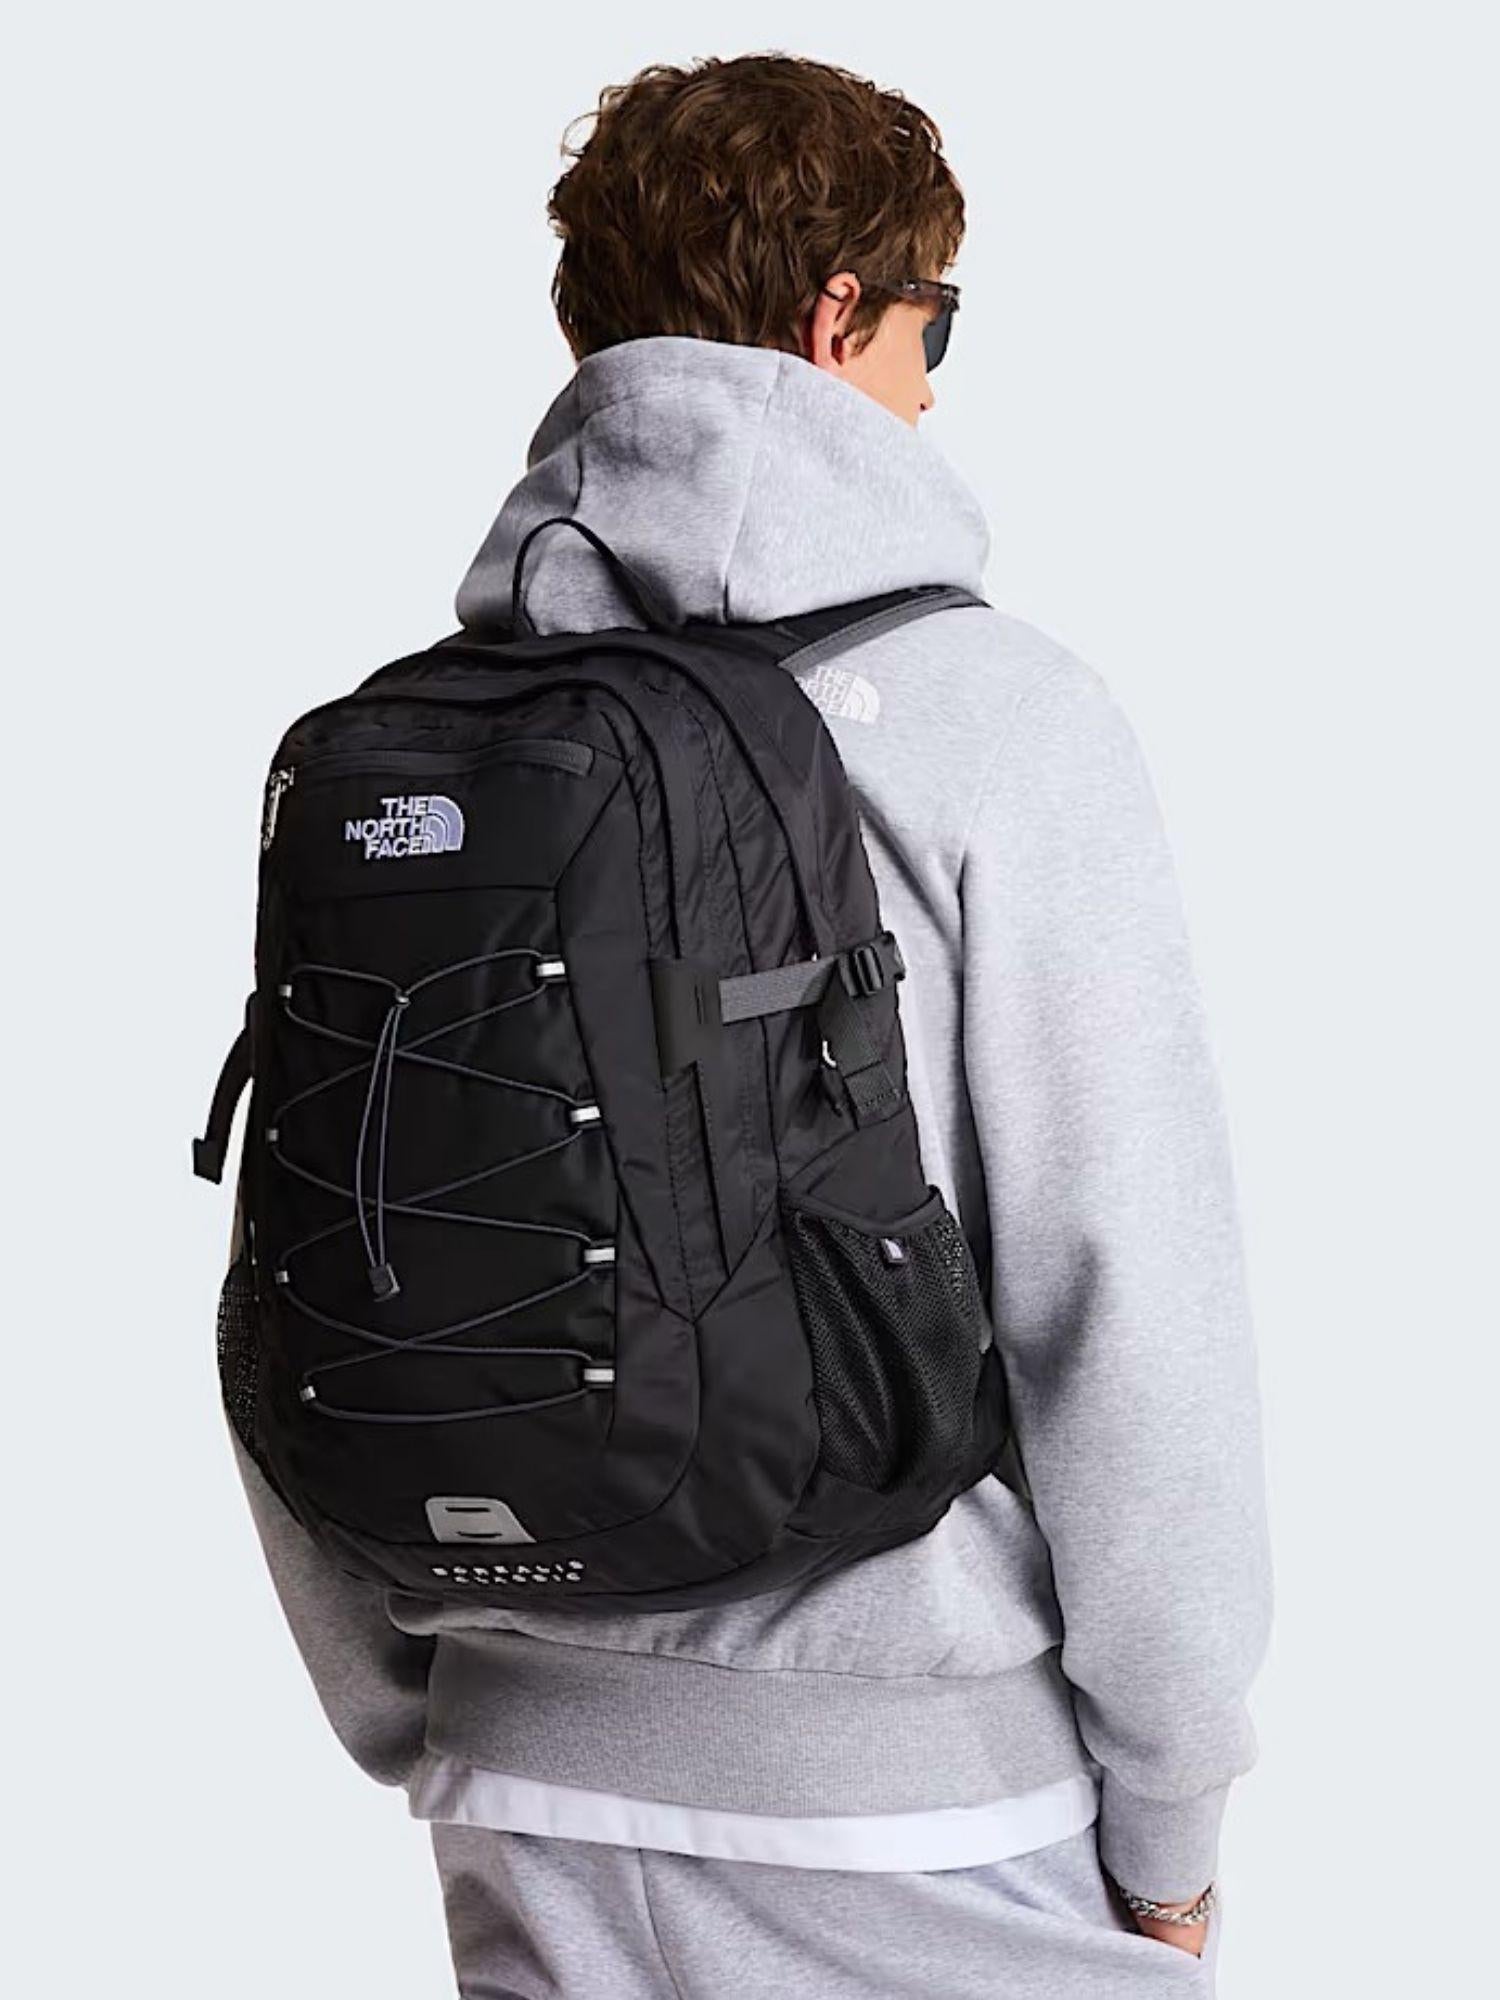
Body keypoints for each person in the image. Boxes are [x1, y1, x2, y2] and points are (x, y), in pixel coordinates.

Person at [227, 51, 1272, 1998]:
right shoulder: (1004, 722)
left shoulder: (418, 743)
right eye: (933, 323)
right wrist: (1175, 1817)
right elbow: (1128, 1306)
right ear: (836, 316)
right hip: (920, 1814)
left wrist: (436, 1702)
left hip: (521, 1794)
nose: (934, 387)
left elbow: (314, 1243)